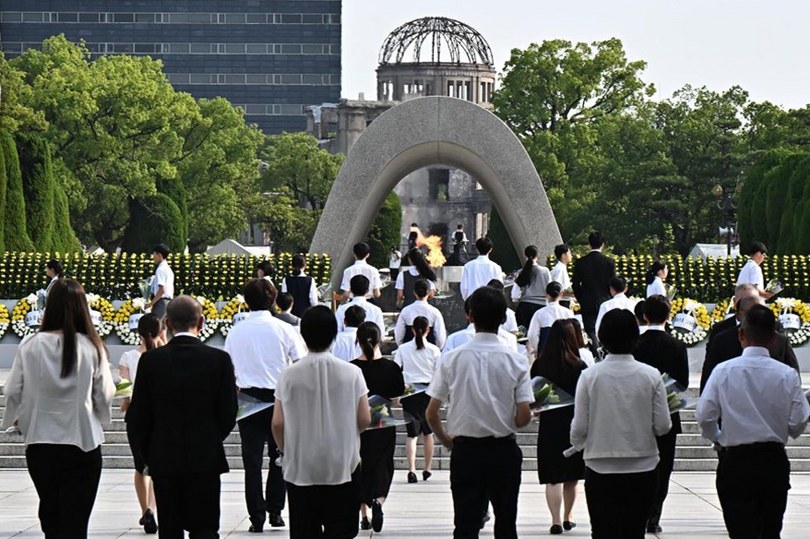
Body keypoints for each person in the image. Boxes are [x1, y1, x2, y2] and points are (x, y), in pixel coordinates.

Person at [2, 279, 115, 538]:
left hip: (41, 443)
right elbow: (105, 393)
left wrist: (17, 420)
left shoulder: (31, 344)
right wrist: (99, 413)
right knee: (77, 522)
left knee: (51, 516)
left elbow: (13, 389)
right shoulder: (91, 347)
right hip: (82, 441)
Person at [426, 286, 533, 539]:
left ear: (470, 316)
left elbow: (431, 413)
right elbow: (524, 416)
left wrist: (448, 442)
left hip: (466, 451)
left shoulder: (452, 358)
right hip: (503, 451)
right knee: (506, 524)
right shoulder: (516, 360)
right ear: (504, 318)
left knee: (465, 525)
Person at [126, 296, 237, 538]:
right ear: (202, 322)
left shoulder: (151, 361)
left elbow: (139, 415)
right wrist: (210, 437)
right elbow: (228, 412)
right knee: (206, 528)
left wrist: (146, 454)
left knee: (170, 528)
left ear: (167, 324)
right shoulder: (219, 360)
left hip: (165, 458)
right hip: (205, 457)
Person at [696, 305, 810, 538]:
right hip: (773, 461)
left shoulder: (723, 371)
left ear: (741, 334)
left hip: (735, 461)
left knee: (740, 532)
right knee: (770, 531)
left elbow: (705, 415)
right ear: (773, 338)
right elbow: (798, 422)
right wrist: (783, 430)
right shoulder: (786, 374)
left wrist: (718, 438)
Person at [570, 309, 672, 538]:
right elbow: (663, 426)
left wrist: (578, 444)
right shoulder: (651, 375)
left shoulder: (590, 376)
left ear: (602, 338)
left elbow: (579, 427)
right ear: (636, 337)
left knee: (603, 531)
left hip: (600, 467)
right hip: (642, 466)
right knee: (634, 531)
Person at [272, 306, 371, 539]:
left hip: (301, 466)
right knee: (342, 530)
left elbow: (277, 423)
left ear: (303, 335)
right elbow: (364, 419)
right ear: (334, 334)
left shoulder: (288, 374)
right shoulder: (352, 372)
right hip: (342, 464)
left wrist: (286, 450)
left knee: (305, 530)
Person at [224, 279, 307, 532]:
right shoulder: (283, 329)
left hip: (247, 400)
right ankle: (276, 511)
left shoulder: (236, 331)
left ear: (247, 301)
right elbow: (300, 362)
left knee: (251, 463)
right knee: (280, 456)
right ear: (273, 300)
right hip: (278, 399)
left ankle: (256, 517)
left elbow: (229, 368)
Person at [632, 295, 689, 534]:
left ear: (644, 315)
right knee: (663, 467)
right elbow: (683, 383)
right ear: (668, 316)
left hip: (636, 415)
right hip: (668, 412)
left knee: (638, 465)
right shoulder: (677, 345)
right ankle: (654, 516)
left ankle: (638, 513)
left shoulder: (634, 343)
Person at [531, 319, 587, 535]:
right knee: (572, 476)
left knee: (553, 477)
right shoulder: (579, 365)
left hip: (549, 424)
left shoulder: (539, 364)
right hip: (573, 423)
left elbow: (534, 397)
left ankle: (554, 519)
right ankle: (568, 516)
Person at [351, 322, 405, 532]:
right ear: (379, 340)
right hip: (383, 422)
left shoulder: (352, 368)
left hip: (357, 423)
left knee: (360, 465)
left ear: (358, 340)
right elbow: (397, 399)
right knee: (382, 465)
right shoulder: (390, 368)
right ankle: (379, 501)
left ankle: (363, 515)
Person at [119, 313, 165, 534]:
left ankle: (144, 509)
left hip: (136, 416)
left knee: (140, 467)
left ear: (138, 332)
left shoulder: (127, 357)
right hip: (160, 415)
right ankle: (153, 510)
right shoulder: (164, 356)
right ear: (160, 331)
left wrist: (125, 405)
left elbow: (124, 394)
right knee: (158, 465)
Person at [701, 295, 798, 393]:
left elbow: (794, 380)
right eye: (752, 312)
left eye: (761, 311)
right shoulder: (722, 340)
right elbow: (708, 377)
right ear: (740, 313)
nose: (757, 316)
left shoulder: (780, 341)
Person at [394, 316, 440, 484]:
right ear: (428, 330)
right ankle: (427, 468)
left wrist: (397, 393)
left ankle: (411, 470)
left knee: (411, 434)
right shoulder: (434, 350)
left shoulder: (403, 349)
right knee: (428, 433)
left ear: (412, 330)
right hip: (428, 392)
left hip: (409, 392)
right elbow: (439, 373)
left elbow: (396, 371)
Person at [571, 231, 616, 345]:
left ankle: (596, 352)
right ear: (603, 244)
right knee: (607, 330)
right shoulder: (609, 262)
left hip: (587, 301)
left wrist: (581, 298)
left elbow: (575, 284)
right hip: (605, 300)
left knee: (591, 331)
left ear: (589, 244)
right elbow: (613, 283)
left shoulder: (580, 262)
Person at [442, 297, 519, 354]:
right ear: (503, 318)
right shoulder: (509, 339)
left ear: (469, 315)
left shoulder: (453, 340)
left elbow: (441, 372)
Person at [394, 279, 447, 349]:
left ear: (414, 292)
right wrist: (436, 349)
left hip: (408, 350)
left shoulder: (406, 311)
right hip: (429, 351)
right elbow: (440, 337)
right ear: (429, 292)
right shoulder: (435, 312)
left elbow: (399, 335)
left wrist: (402, 347)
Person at [526, 282, 575, 355]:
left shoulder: (539, 313)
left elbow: (532, 335)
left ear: (547, 295)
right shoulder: (568, 312)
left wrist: (538, 348)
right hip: (565, 351)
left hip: (546, 352)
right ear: (561, 294)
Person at [511, 245, 552, 328]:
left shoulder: (521, 272)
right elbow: (550, 289)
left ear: (525, 256)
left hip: (524, 307)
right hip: (541, 306)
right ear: (537, 255)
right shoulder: (545, 271)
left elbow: (515, 295)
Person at [146, 244, 175, 320]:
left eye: (154, 254)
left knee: (156, 327)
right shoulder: (168, 269)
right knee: (163, 329)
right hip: (168, 302)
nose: (153, 257)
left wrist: (150, 304)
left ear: (159, 255)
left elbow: (162, 290)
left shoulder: (160, 270)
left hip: (161, 303)